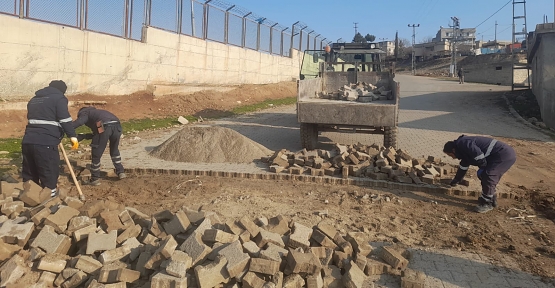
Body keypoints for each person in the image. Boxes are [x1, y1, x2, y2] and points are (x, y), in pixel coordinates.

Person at [22, 80, 79, 197]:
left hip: (28, 141)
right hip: (46, 142)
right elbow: (65, 119)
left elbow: (40, 118)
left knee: (30, 173)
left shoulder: (34, 99)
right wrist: (72, 136)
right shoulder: (59, 99)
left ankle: (29, 200)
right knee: (49, 172)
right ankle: (50, 203)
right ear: (62, 91)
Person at [443, 135, 516, 213]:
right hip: (496, 156)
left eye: (451, 155)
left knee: (488, 175)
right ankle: (490, 197)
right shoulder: (462, 149)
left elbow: (479, 156)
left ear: (453, 150)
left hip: (504, 155)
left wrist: (483, 169)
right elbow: (464, 165)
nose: (453, 158)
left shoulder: (463, 143)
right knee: (485, 175)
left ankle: (487, 203)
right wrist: (457, 179)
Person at [72, 107, 126, 186]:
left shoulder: (85, 113)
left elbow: (79, 122)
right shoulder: (98, 114)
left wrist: (65, 128)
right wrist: (84, 136)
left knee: (96, 154)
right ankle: (121, 172)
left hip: (105, 125)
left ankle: (94, 179)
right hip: (117, 125)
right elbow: (98, 134)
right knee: (114, 150)